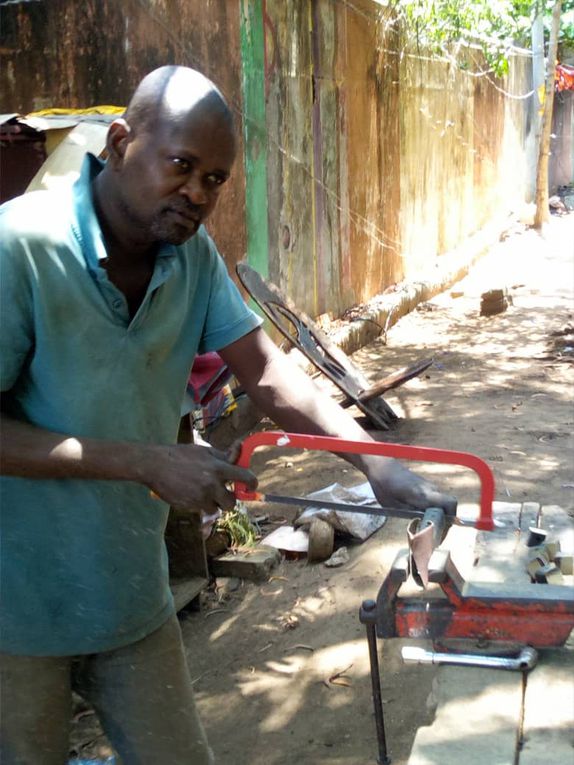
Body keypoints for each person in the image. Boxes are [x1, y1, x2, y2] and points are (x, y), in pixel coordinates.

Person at [0, 66, 455, 764]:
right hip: (15, 612)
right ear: (121, 142)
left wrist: (379, 464)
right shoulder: (20, 248)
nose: (198, 193)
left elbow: (269, 372)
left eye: (214, 178)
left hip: (128, 592)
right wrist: (146, 460)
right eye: (181, 165)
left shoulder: (190, 258)